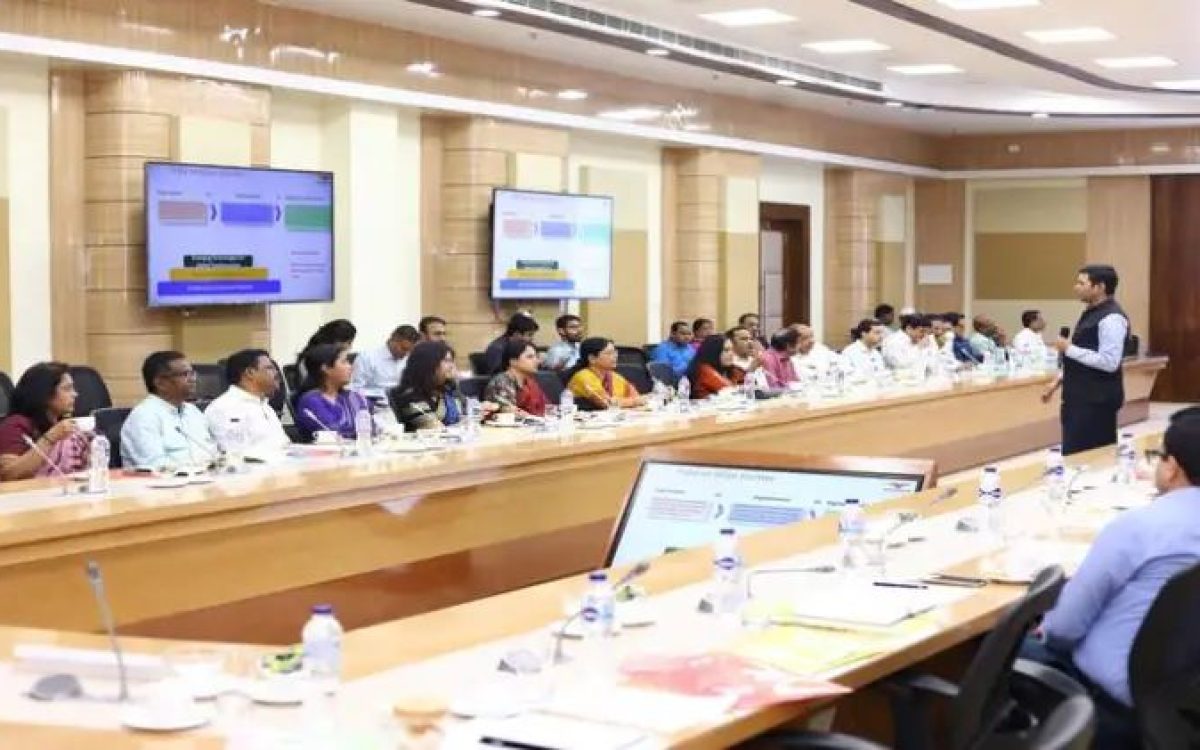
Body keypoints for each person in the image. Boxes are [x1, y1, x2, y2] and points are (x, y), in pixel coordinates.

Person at [1023, 411, 1200, 748]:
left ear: (1172, 467)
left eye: (1159, 456)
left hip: (1113, 701)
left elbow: (1064, 629)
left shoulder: (1139, 527)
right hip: (1184, 696)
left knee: (1003, 646)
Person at [1042, 265, 1130, 455]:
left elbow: (1109, 362)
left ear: (1100, 287)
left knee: (1092, 458)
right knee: (1073, 455)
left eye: (1082, 283)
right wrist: (1059, 380)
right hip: (1079, 399)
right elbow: (1086, 353)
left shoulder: (1112, 318)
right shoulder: (1091, 312)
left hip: (1096, 402)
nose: (1076, 287)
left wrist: (1069, 349)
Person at [121, 351, 216, 470]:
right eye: (185, 374)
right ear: (160, 383)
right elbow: (156, 466)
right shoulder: (143, 417)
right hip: (166, 480)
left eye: (192, 373)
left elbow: (212, 452)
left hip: (206, 478)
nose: (192, 379)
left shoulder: (193, 411)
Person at [0, 363, 90, 481]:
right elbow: (8, 474)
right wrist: (50, 438)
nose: (75, 394)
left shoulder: (62, 424)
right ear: (45, 394)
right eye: (67, 388)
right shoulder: (16, 425)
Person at [204, 349, 290, 456]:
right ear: (250, 372)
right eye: (269, 368)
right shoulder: (224, 408)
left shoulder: (265, 407)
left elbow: (284, 445)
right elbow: (233, 456)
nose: (277, 373)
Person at [294, 344, 371, 443]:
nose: (350, 367)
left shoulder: (354, 397)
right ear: (325, 368)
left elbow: (373, 426)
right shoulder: (311, 401)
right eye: (344, 362)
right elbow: (332, 432)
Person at [390, 341, 466, 432]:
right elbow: (434, 428)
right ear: (429, 363)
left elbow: (466, 417)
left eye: (452, 361)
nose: (452, 366)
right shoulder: (409, 396)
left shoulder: (448, 390)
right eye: (447, 361)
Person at [564, 338, 646, 411]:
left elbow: (637, 397)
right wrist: (633, 402)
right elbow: (606, 403)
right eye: (609, 353)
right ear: (592, 358)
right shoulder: (583, 377)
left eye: (615, 352)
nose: (615, 356)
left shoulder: (614, 376)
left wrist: (632, 401)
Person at [351, 325, 420, 401]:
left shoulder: (408, 359)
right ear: (393, 340)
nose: (406, 354)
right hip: (375, 402)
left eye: (410, 351)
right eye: (404, 349)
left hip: (402, 401)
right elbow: (356, 389)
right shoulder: (367, 357)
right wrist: (384, 393)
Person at [484, 339, 549, 417]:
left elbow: (548, 408)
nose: (537, 361)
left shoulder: (530, 382)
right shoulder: (500, 383)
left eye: (536, 357)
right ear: (513, 361)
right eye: (530, 357)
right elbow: (510, 414)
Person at [685, 335, 736, 399]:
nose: (731, 354)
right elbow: (731, 391)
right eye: (726, 350)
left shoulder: (726, 369)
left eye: (732, 350)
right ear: (714, 351)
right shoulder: (704, 369)